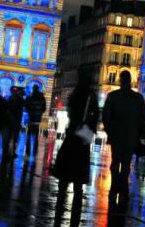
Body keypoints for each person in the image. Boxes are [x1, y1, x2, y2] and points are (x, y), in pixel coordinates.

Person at [51, 69, 99, 205]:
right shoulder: (91, 96)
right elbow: (95, 114)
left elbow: (70, 112)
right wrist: (90, 127)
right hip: (83, 137)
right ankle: (77, 198)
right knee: (79, 173)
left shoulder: (74, 94)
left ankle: (61, 195)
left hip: (72, 133)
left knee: (65, 169)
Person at [102, 70, 145, 205]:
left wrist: (110, 131)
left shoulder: (112, 96)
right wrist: (140, 135)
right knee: (126, 164)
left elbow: (106, 117)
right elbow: (143, 119)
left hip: (116, 137)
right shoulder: (138, 98)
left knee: (115, 163)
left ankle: (114, 189)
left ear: (120, 81)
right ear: (130, 80)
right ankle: (123, 190)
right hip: (131, 137)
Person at [23, 84, 47, 157]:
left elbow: (25, 106)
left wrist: (29, 112)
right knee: (35, 135)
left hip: (31, 119)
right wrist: (39, 113)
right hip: (37, 119)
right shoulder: (42, 97)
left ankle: (28, 151)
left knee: (29, 135)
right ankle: (35, 151)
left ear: (33, 89)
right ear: (38, 89)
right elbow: (44, 108)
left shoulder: (30, 97)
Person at [7, 87, 25, 154]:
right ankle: (12, 151)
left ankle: (8, 149)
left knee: (11, 135)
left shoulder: (11, 97)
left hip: (11, 118)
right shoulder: (20, 98)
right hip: (16, 118)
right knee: (15, 135)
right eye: (22, 91)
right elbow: (25, 105)